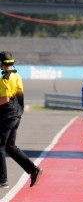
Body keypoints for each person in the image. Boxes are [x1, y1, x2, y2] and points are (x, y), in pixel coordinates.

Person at [0, 51, 43, 189]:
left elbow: (5, 99)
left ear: (2, 63)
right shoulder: (17, 76)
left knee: (0, 146)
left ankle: (3, 180)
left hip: (8, 115)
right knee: (10, 147)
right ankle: (33, 170)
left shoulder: (5, 78)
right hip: (17, 115)